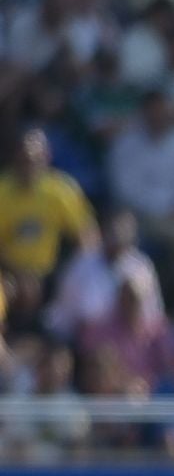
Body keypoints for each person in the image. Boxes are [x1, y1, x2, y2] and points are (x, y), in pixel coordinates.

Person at [0, 126, 99, 335]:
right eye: (24, 159)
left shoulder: (60, 190)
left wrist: (75, 272)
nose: (29, 166)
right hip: (10, 272)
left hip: (51, 273)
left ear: (46, 157)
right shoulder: (3, 192)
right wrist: (19, 274)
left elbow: (86, 235)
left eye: (35, 159)